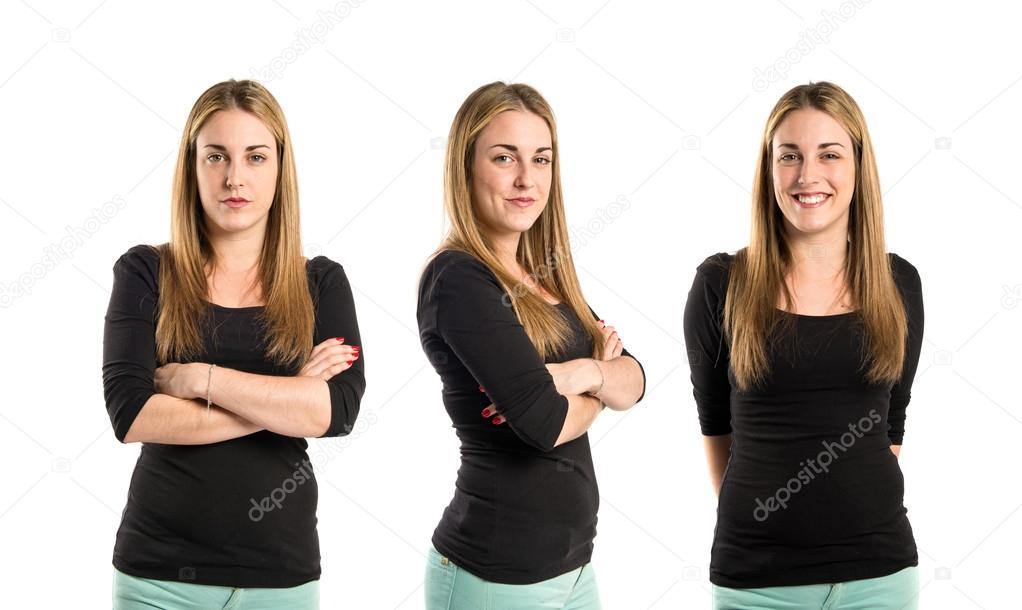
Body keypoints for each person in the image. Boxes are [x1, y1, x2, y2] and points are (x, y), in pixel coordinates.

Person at [102, 79, 365, 609]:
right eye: (216, 156)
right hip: (158, 577)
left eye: (255, 157)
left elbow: (337, 412)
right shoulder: (145, 271)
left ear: (279, 168)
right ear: (193, 167)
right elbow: (131, 415)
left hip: (282, 577)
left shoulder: (321, 282)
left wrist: (203, 379)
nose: (234, 178)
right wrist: (288, 395)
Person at [684, 81, 923, 609]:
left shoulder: (899, 283)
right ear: (769, 169)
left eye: (829, 154)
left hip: (880, 575)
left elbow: (892, 427)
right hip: (757, 582)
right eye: (789, 155)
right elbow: (715, 428)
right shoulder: (721, 283)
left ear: (858, 167)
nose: (807, 175)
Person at [417, 81, 646, 609]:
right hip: (495, 575)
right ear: (466, 166)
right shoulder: (459, 280)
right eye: (504, 157)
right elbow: (543, 425)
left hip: (573, 570)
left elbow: (634, 380)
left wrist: (580, 374)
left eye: (541, 159)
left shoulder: (549, 279)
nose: (526, 178)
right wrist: (595, 384)